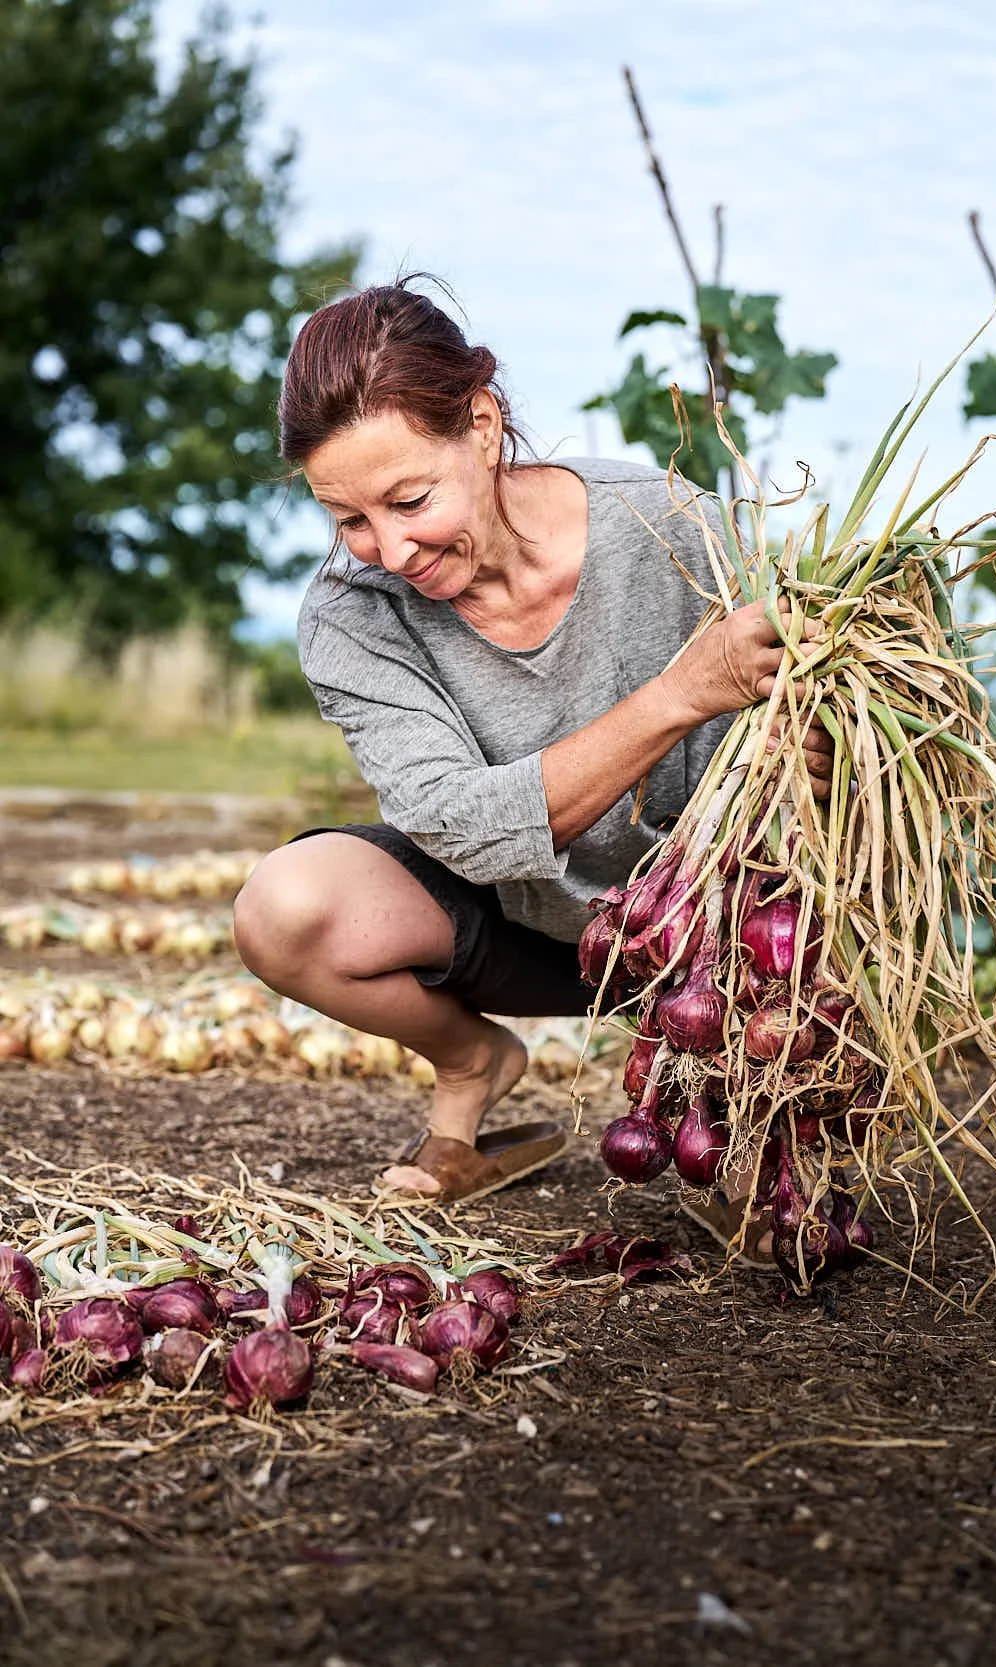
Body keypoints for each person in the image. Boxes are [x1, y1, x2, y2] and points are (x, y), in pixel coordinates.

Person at [233, 278, 833, 1250]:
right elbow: (457, 822)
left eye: (407, 499)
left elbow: (790, 735)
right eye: (348, 519)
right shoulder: (352, 612)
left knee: (752, 1214)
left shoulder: (668, 525)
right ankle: (474, 1060)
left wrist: (808, 754)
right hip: (522, 919)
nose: (387, 547)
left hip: (699, 935)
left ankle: (740, 1099)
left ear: (480, 424)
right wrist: (681, 691)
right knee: (284, 905)